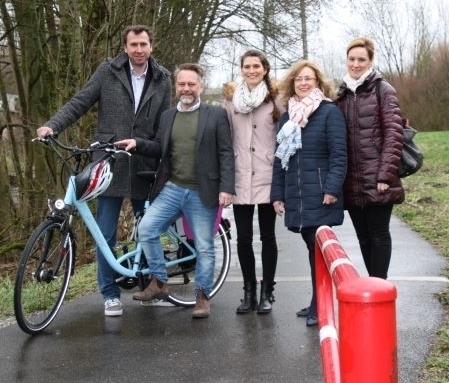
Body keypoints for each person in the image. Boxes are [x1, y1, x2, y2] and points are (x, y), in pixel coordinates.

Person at [36, 25, 172, 317]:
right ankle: (110, 294)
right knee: (104, 232)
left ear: (151, 46)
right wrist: (53, 125)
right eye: (133, 44)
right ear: (125, 47)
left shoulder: (163, 79)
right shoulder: (107, 72)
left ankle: (150, 285)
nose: (139, 49)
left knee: (147, 230)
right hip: (107, 163)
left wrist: (161, 153)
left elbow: (167, 123)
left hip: (143, 162)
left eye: (144, 44)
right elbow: (80, 102)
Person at [115, 63, 234, 319]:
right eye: (182, 84)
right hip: (172, 188)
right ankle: (159, 281)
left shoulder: (215, 115)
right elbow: (160, 147)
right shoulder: (168, 116)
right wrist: (138, 144)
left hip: (203, 191)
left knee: (203, 247)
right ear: (176, 87)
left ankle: (202, 296)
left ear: (200, 86)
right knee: (146, 229)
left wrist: (227, 188)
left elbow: (226, 152)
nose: (186, 88)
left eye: (191, 84)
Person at [270, 60, 347, 327]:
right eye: (298, 79)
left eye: (308, 79)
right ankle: (318, 301)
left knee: (319, 252)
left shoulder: (329, 112)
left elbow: (339, 154)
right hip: (297, 194)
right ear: (292, 83)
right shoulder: (287, 116)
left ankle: (321, 305)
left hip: (321, 194)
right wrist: (277, 194)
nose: (303, 83)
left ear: (318, 83)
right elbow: (281, 159)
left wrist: (332, 188)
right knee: (312, 251)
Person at [335, 36, 405, 279]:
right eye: (352, 59)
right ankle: (373, 282)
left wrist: (385, 173)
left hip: (378, 177)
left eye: (361, 60)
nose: (356, 64)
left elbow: (394, 134)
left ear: (370, 61)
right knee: (362, 235)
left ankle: (379, 285)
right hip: (352, 180)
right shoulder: (340, 95)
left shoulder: (383, 90)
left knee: (379, 233)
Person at [222, 50, 284, 314]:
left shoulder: (277, 100)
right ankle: (248, 291)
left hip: (268, 175)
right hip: (240, 176)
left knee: (268, 236)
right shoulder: (230, 101)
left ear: (265, 69)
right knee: (244, 238)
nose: (251, 70)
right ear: (241, 69)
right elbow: (225, 139)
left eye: (256, 66)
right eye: (246, 66)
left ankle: (267, 290)